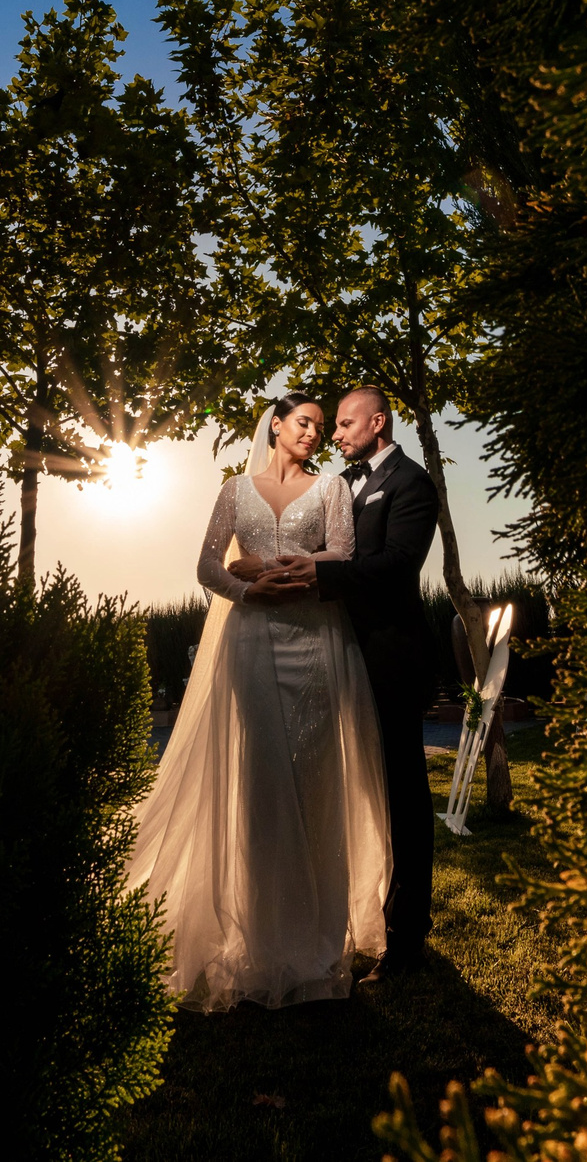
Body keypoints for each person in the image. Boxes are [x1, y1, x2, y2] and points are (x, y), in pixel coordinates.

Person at [124, 393, 391, 1009]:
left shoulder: (330, 491)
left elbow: (344, 555)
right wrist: (248, 592)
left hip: (317, 643)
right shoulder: (233, 491)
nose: (315, 435)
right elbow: (206, 568)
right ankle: (258, 935)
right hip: (250, 642)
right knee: (260, 778)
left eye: (323, 428)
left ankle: (318, 940)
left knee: (316, 781)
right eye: (305, 423)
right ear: (276, 424)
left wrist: (267, 568)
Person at [243, 385, 439, 975]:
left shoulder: (411, 484)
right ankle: (345, 915)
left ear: (377, 423)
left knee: (402, 794)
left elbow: (397, 566)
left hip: (390, 659)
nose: (335, 434)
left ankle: (408, 936)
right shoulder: (340, 484)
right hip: (336, 655)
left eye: (346, 424)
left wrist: (323, 576)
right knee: (351, 790)